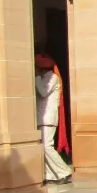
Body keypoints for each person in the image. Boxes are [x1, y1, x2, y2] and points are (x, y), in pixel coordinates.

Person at [35, 53, 72, 185]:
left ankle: (64, 171)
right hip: (42, 117)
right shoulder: (44, 77)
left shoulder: (52, 77)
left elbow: (43, 92)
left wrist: (37, 78)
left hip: (48, 117)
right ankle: (51, 175)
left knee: (47, 147)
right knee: (43, 147)